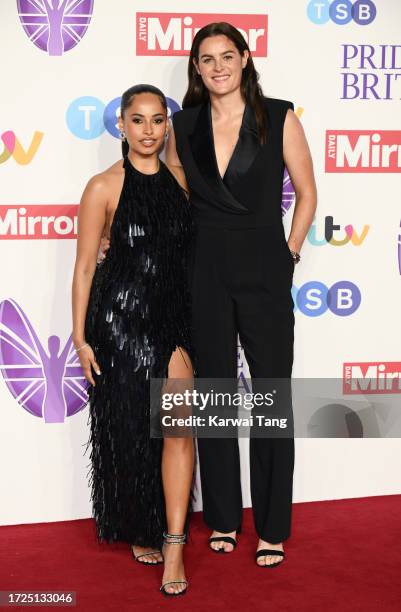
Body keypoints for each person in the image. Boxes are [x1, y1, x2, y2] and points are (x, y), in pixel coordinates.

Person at [165, 22, 317, 567]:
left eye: (227, 56)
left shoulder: (279, 116)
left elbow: (306, 192)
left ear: (246, 58)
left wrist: (290, 254)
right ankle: (225, 518)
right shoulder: (182, 125)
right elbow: (175, 196)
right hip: (204, 268)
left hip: (265, 266)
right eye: (207, 60)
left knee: (272, 397)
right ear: (197, 69)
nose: (218, 67)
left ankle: (272, 526)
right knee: (215, 398)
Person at [71, 84, 194, 596]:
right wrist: (80, 338)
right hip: (119, 323)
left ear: (168, 125)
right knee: (131, 431)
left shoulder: (182, 182)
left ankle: (174, 544)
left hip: (175, 322)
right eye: (137, 120)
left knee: (178, 430)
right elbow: (83, 269)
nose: (148, 130)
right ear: (120, 125)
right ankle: (142, 526)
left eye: (157, 120)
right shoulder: (102, 186)